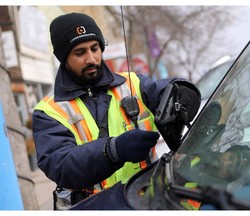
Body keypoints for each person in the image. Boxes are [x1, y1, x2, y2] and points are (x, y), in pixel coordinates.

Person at [32, 12, 201, 210]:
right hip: (93, 206)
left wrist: (182, 92)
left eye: (95, 48)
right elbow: (60, 165)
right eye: (80, 52)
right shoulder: (48, 111)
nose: (91, 59)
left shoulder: (133, 83)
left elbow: (163, 91)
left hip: (146, 200)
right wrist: (113, 150)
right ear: (63, 57)